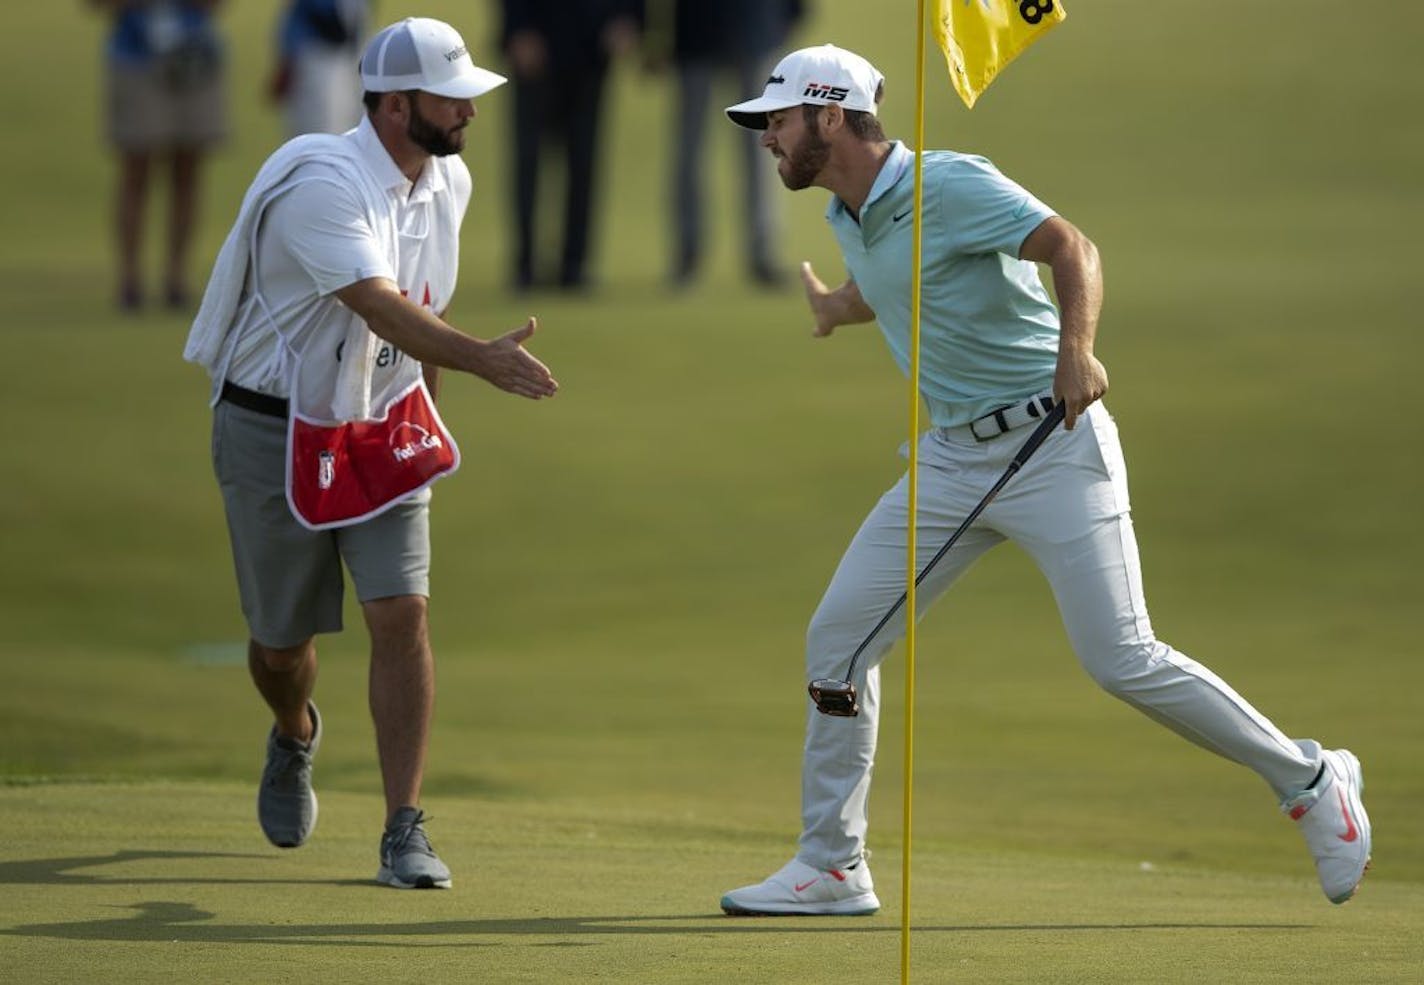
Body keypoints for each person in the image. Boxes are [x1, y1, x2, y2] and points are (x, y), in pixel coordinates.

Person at [717, 44, 1371, 915]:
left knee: (1121, 657)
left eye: (778, 120)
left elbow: (1072, 245)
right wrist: (844, 304)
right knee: (836, 644)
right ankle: (833, 864)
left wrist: (1076, 351)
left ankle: (1313, 779)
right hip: (951, 461)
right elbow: (906, 274)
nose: (766, 138)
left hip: (1051, 441)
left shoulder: (951, 183)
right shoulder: (844, 212)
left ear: (829, 116)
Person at [182, 17, 559, 889]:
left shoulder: (448, 180)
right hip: (272, 425)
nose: (468, 113)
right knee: (281, 644)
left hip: (381, 415)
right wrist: (483, 359)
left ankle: (403, 827)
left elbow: (418, 308)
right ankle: (293, 731)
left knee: (403, 613)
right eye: (450, 98)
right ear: (395, 106)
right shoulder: (324, 182)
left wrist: (431, 388)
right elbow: (378, 303)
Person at [91, 0, 227, 311]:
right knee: (135, 169)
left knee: (187, 171)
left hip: (195, 59)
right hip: (135, 59)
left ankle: (176, 278)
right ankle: (129, 280)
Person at [498, 0, 643, 291]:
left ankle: (575, 265)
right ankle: (525, 264)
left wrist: (629, 18)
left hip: (591, 50)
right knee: (528, 165)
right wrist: (517, 28)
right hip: (535, 45)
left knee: (584, 165)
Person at [661, 0, 804, 287]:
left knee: (763, 147)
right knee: (689, 152)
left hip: (755, 29)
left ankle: (762, 253)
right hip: (696, 33)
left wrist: (792, 13)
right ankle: (688, 252)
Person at [268, 0, 372, 137]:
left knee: (362, 130)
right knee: (320, 134)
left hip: (355, 54)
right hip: (318, 55)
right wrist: (288, 61)